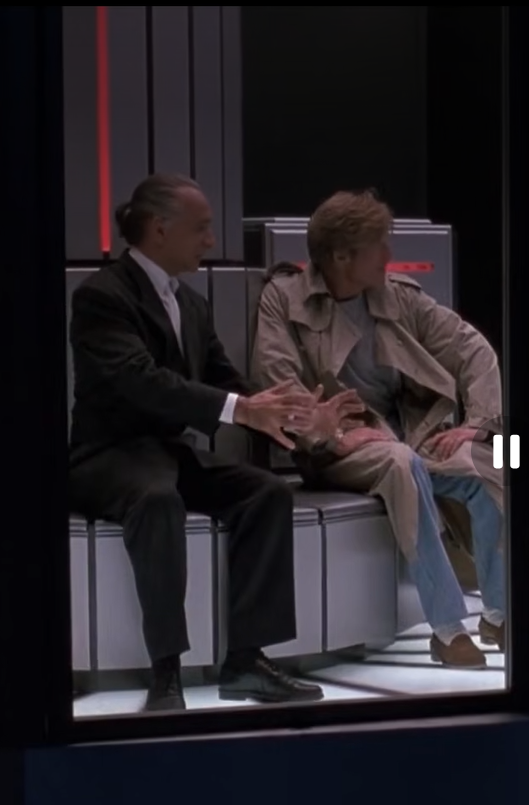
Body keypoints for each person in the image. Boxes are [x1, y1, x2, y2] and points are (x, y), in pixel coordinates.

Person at [69, 173, 356, 711]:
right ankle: (166, 674)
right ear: (159, 229)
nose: (210, 240)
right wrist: (241, 409)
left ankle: (247, 662)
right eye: (200, 228)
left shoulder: (192, 304)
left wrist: (300, 420)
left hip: (167, 453)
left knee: (267, 492)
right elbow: (142, 381)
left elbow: (228, 384)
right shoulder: (101, 296)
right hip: (108, 454)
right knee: (158, 500)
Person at [252, 189, 506, 669]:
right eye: (379, 246)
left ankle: (500, 613)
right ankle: (448, 629)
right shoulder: (283, 300)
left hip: (409, 436)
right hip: (333, 450)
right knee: (400, 462)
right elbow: (277, 385)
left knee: (497, 458)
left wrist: (477, 425)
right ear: (341, 256)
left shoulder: (398, 297)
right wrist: (334, 434)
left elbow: (474, 350)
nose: (389, 255)